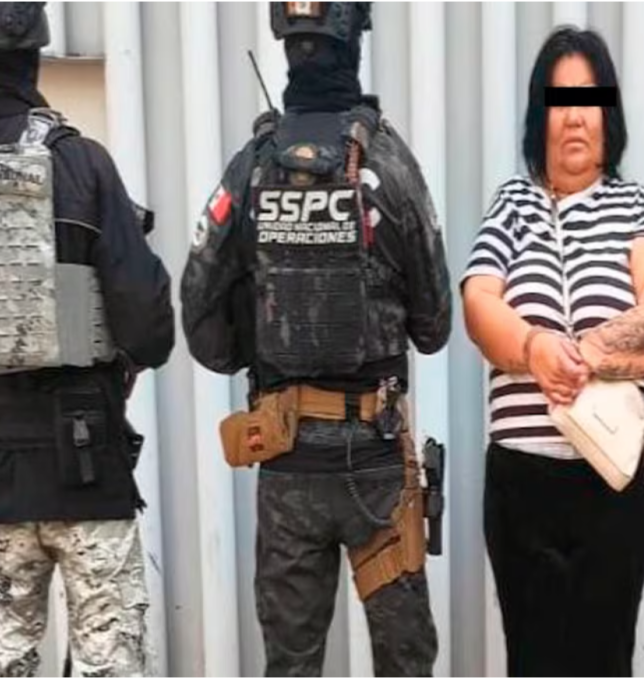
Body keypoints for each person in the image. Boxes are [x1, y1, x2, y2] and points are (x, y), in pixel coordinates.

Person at [180, 2, 451, 676]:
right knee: (406, 664)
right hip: (376, 467)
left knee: (291, 666)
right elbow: (435, 325)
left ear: (285, 40)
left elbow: (201, 314)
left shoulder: (250, 169)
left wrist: (265, 337)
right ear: (354, 37)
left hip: (287, 461)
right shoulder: (390, 165)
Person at [0, 2, 174, 676]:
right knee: (111, 666)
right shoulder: (79, 162)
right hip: (87, 470)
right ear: (35, 50)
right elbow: (148, 327)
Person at [462, 26, 644, 677]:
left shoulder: (633, 206)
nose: (576, 116)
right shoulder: (513, 203)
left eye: (589, 99)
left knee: (605, 661)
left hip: (610, 483)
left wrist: (582, 352)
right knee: (532, 662)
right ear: (541, 116)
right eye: (561, 100)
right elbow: (478, 301)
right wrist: (533, 347)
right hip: (521, 483)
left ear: (609, 115)